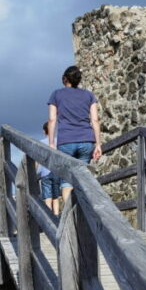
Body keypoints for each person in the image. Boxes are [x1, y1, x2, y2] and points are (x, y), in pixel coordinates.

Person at [47, 65, 102, 208]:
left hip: (66, 142)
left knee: (67, 181)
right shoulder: (89, 95)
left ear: (65, 79)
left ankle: (73, 218)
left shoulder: (56, 94)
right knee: (83, 179)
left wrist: (51, 142)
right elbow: (95, 120)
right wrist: (98, 144)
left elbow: (52, 120)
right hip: (86, 141)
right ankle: (84, 213)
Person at [38, 122, 61, 214]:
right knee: (56, 197)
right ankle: (56, 217)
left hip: (45, 173)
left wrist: (35, 170)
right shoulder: (57, 142)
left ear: (44, 131)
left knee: (47, 197)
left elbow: (37, 158)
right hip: (56, 171)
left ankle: (49, 217)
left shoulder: (41, 143)